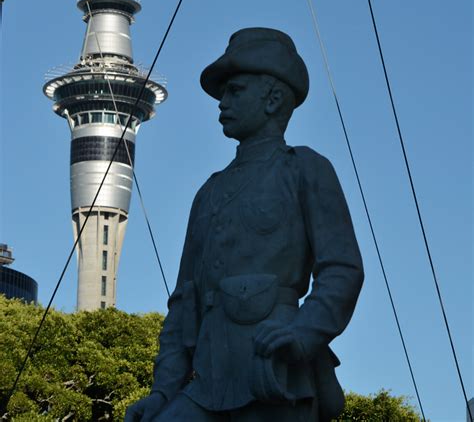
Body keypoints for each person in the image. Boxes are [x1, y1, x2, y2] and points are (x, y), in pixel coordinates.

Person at [125, 28, 364, 421]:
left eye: (235, 91)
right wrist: (164, 391)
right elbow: (185, 301)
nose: (222, 102)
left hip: (274, 374)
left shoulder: (305, 169)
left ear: (272, 99)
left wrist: (305, 332)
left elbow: (342, 268)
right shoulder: (209, 192)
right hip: (206, 384)